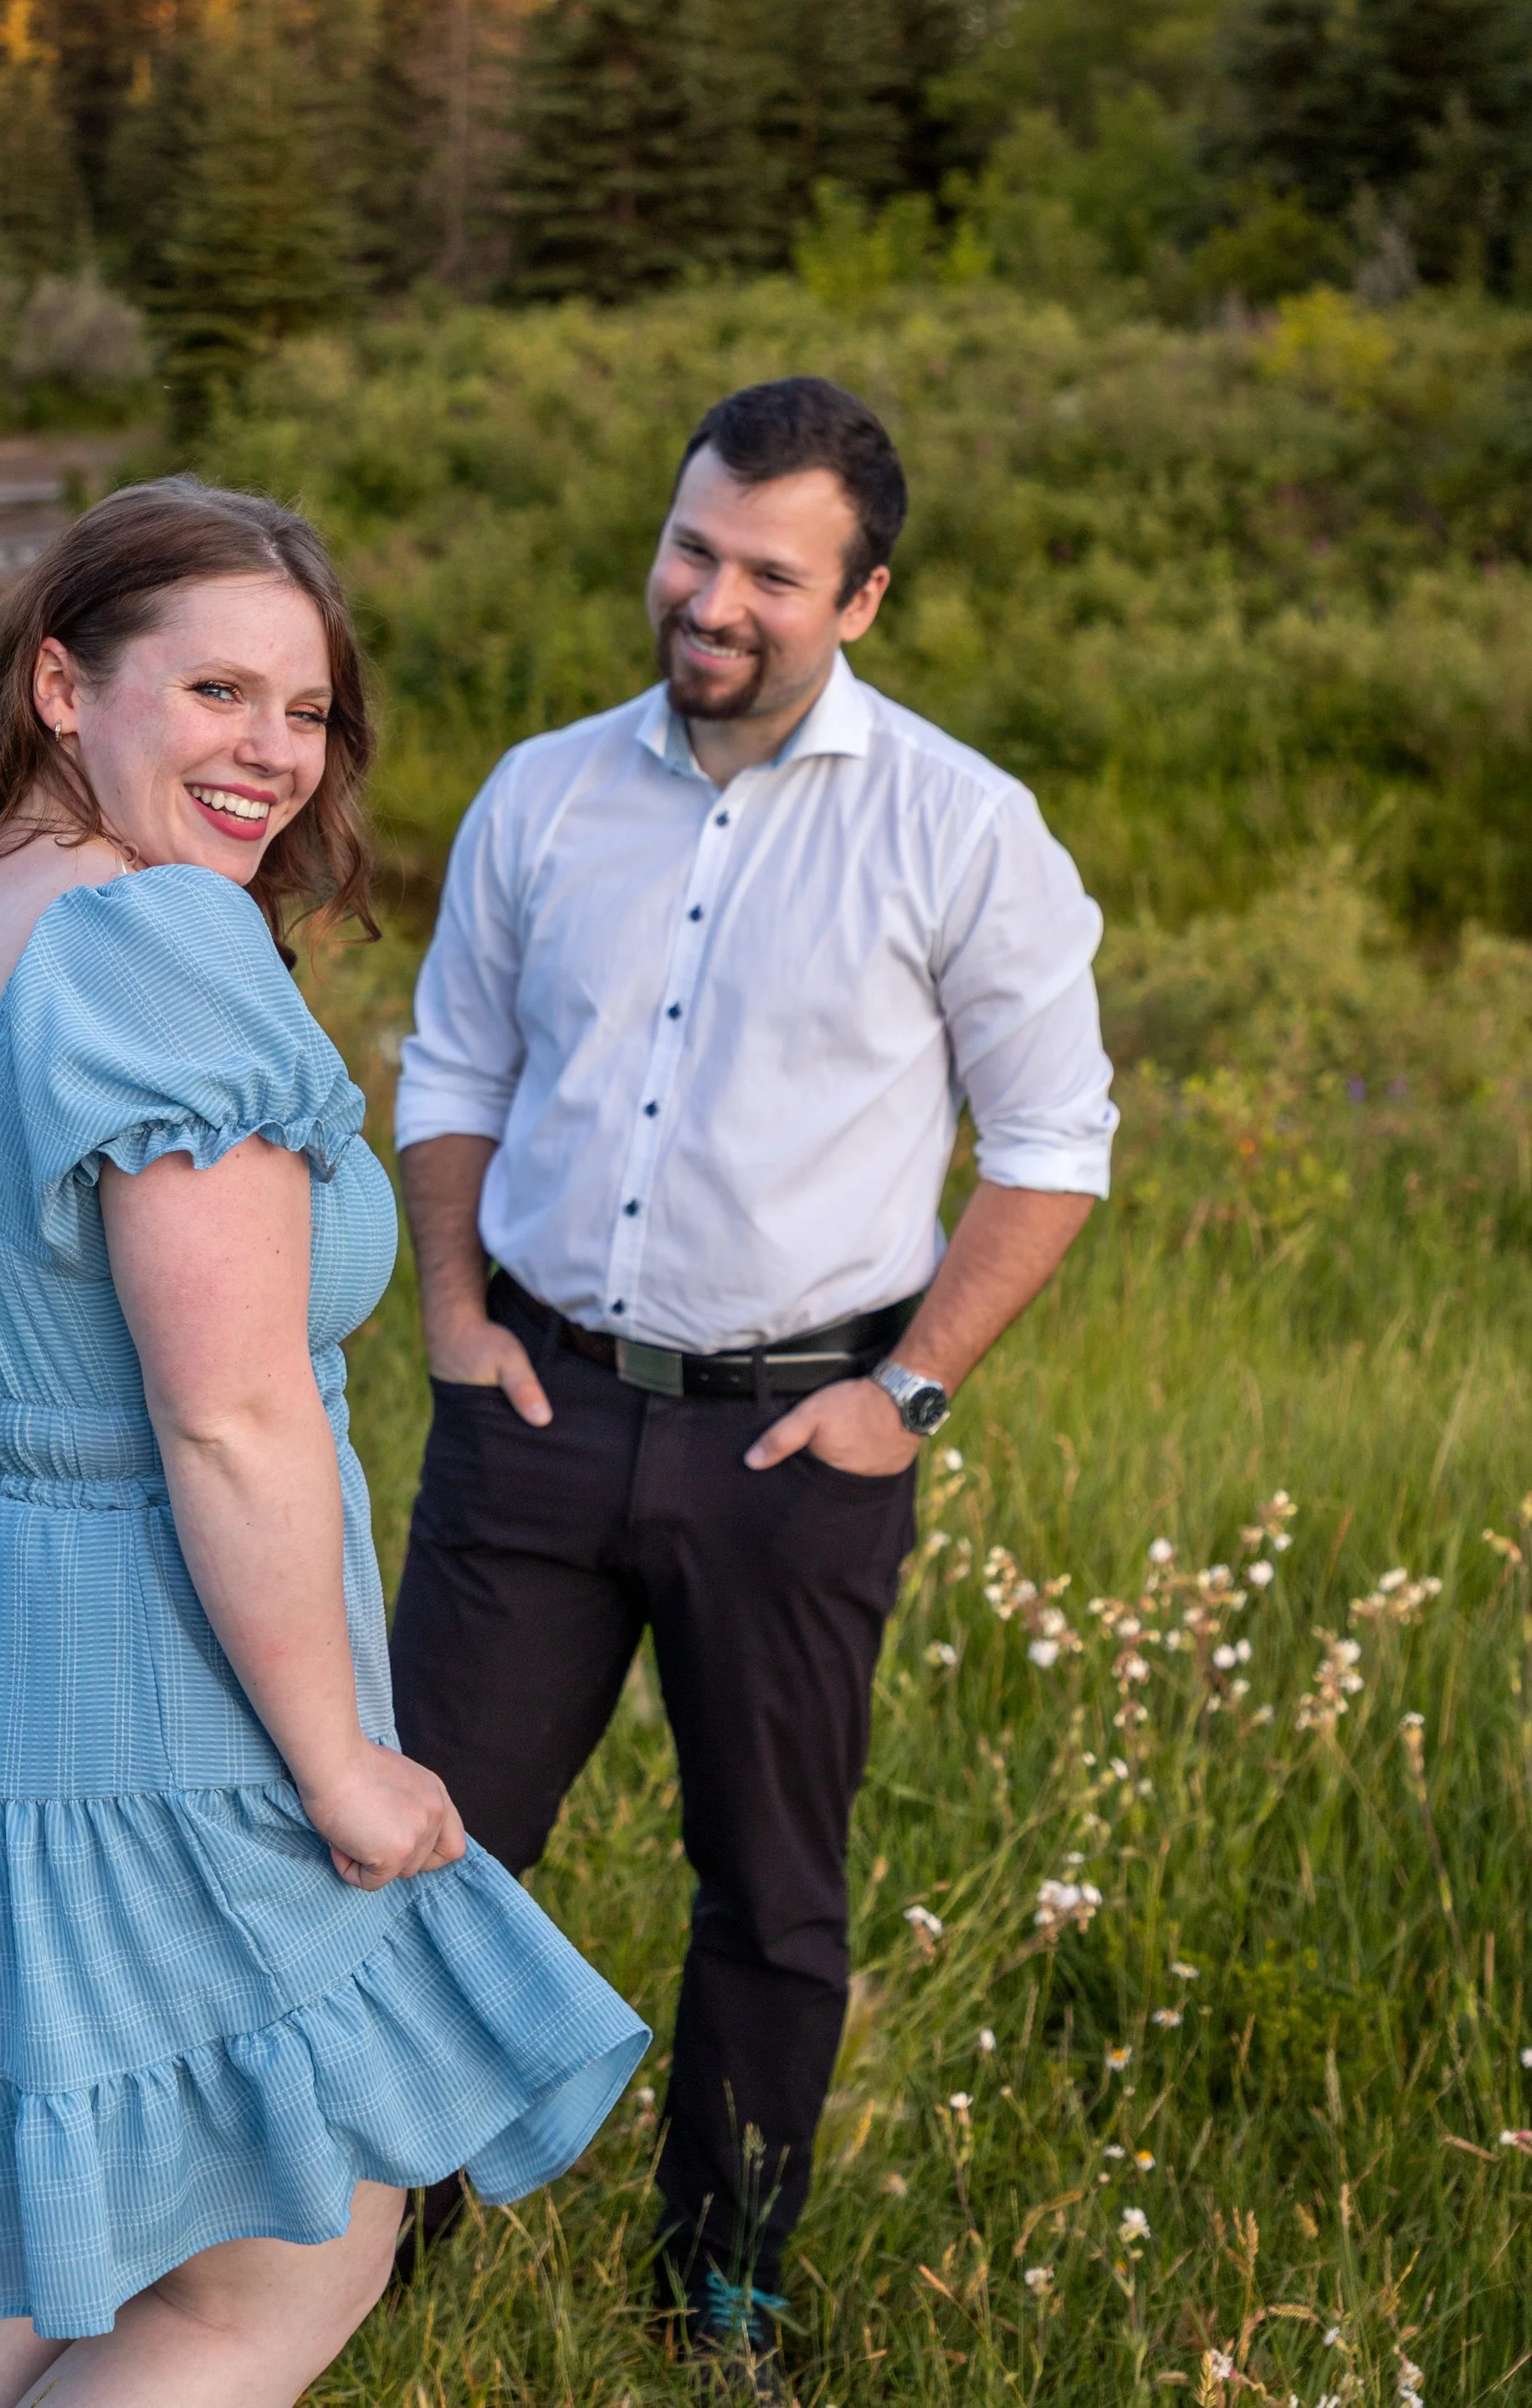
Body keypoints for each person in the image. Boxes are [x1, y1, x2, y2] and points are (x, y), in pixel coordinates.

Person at [0, 478, 645, 2408]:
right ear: (64, 686)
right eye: (215, 693)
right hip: (135, 1684)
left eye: (303, 711)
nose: (269, 755)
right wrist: (341, 1766)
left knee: (36, 2227)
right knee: (296, 2248)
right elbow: (225, 1414)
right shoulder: (152, 950)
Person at [388, 377, 1116, 2360]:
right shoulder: (541, 792)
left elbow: (1054, 1140)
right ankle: (383, 2234)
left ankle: (715, 2294)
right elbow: (452, 1067)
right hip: (530, 1414)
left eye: (769, 573)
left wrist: (909, 1395)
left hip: (798, 1441)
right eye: (692, 545)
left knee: (772, 1894)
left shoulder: (960, 829)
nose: (711, 596)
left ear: (860, 600)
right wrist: (453, 1319)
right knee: (417, 1841)